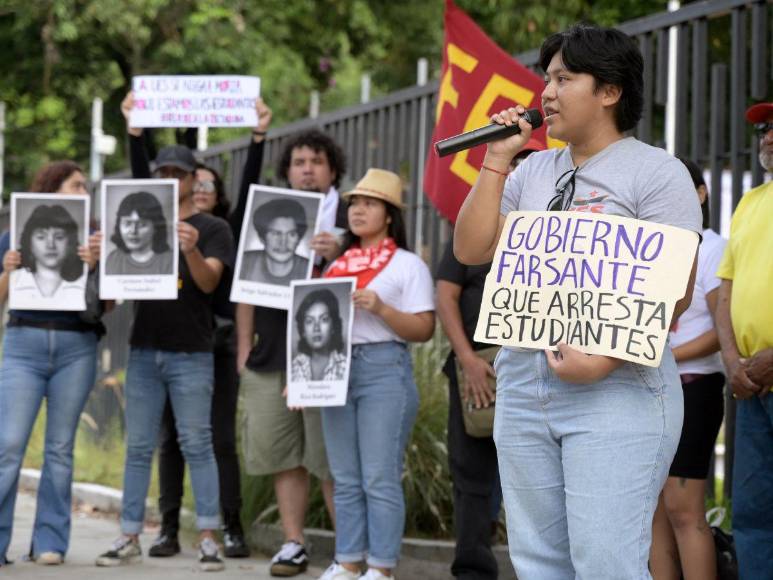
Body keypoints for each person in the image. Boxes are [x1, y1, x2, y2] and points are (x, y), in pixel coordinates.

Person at [454, 24, 702, 579]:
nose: (545, 93)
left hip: (616, 387)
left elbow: (675, 290)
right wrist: (497, 161)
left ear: (609, 91)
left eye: (564, 79)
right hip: (524, 378)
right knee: (540, 562)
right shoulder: (535, 169)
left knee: (605, 561)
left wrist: (602, 360)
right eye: (546, 78)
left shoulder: (657, 173)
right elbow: (471, 247)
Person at [95, 99, 234, 572]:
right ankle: (129, 534)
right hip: (144, 348)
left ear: (196, 178)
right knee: (138, 447)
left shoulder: (213, 227)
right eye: (164, 173)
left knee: (198, 442)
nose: (171, 180)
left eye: (179, 173)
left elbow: (212, 283)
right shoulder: (138, 223)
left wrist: (191, 251)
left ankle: (210, 537)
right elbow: (114, 288)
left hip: (192, 351)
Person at [145, 99, 273, 560]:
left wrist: (258, 138)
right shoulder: (162, 223)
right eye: (187, 185)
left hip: (215, 344)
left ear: (216, 195)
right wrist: (136, 133)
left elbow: (252, 183)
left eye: (204, 186)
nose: (195, 191)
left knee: (218, 437)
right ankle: (168, 528)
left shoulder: (224, 229)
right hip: (173, 342)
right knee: (171, 437)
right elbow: (144, 178)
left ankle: (231, 526)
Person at [236, 128, 346, 577]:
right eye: (299, 162)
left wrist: (338, 250)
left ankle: (349, 551)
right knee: (284, 455)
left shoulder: (352, 217)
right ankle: (293, 543)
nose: (307, 170)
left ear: (332, 170)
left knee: (329, 460)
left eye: (316, 162)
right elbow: (244, 287)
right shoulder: (269, 215)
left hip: (324, 356)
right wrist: (244, 346)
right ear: (287, 171)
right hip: (269, 355)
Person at [317, 168, 435, 580]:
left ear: (389, 215)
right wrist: (301, 377)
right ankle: (349, 560)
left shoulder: (407, 265)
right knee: (345, 475)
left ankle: (381, 567)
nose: (358, 210)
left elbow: (424, 329)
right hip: (333, 368)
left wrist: (382, 309)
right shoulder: (336, 267)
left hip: (384, 368)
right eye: (354, 204)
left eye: (369, 203)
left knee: (379, 475)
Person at [435, 144, 541, 580]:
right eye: (511, 164)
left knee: (536, 478)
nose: (517, 172)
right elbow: (445, 293)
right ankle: (473, 572)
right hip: (477, 366)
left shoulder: (553, 229)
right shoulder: (479, 224)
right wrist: (468, 361)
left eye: (527, 165)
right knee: (473, 475)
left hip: (539, 367)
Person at [0, 160, 102, 567]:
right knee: (8, 446)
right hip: (23, 344)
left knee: (59, 448)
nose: (84, 192)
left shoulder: (92, 242)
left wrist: (93, 268)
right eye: (76, 185)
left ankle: (50, 542)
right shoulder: (13, 235)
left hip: (77, 348)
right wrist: (7, 271)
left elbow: (108, 307)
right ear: (52, 187)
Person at [650, 157, 726, 580]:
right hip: (650, 391)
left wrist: (662, 355)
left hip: (695, 388)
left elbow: (722, 330)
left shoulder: (714, 247)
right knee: (653, 509)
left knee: (683, 509)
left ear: (700, 194)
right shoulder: (654, 247)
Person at [715, 101, 773, 580]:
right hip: (751, 385)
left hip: (766, 370)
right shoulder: (750, 202)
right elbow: (725, 291)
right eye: (766, 130)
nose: (769, 138)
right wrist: (733, 361)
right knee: (752, 514)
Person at [14, 204, 86, 302]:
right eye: (41, 237)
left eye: (59, 237)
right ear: (29, 243)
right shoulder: (16, 278)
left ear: (70, 243)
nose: (50, 245)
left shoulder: (83, 280)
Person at [239, 197, 310, 285]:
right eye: (276, 233)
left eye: (291, 234)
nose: (283, 242)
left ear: (299, 239)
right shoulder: (244, 262)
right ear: (262, 238)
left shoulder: (308, 269)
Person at [105, 191, 173, 275]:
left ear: (156, 227)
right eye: (127, 223)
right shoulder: (113, 259)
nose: (133, 231)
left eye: (142, 224)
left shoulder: (170, 260)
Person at [291, 288, 347, 382]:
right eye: (309, 321)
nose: (316, 328)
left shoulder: (345, 366)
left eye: (324, 319)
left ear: (333, 327)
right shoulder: (295, 366)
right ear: (303, 331)